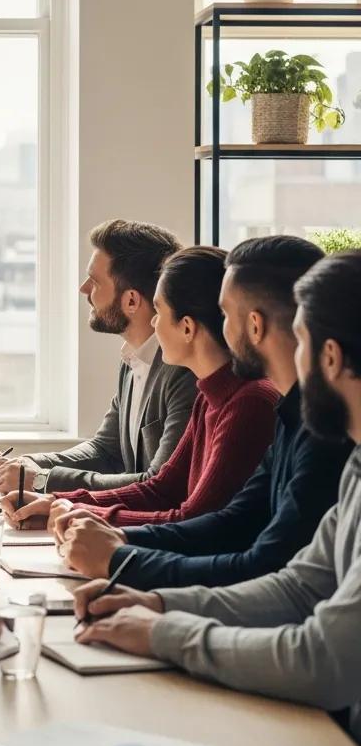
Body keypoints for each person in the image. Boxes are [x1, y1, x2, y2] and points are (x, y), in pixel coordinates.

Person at [71, 251, 361, 743]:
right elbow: (298, 586)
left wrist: (164, 633)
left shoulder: (284, 418)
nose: (288, 367)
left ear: (328, 357)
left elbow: (324, 659)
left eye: (302, 345)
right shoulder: (355, 462)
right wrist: (159, 603)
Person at [57, 236, 350, 586]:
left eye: (224, 313)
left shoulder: (273, 409)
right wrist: (105, 531)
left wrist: (119, 557)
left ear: (255, 326)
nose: (221, 325)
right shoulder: (286, 414)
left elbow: (262, 561)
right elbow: (230, 518)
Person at [2, 247, 278, 530]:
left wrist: (85, 517)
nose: (154, 322)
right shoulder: (209, 397)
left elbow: (195, 520)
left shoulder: (249, 403)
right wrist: (62, 503)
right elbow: (162, 489)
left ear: (187, 328)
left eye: (158, 310)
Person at [0, 220, 196, 494]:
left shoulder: (183, 370)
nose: (84, 289)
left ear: (131, 301)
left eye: (95, 281)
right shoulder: (133, 359)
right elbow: (106, 450)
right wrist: (22, 465)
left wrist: (42, 480)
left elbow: (159, 484)